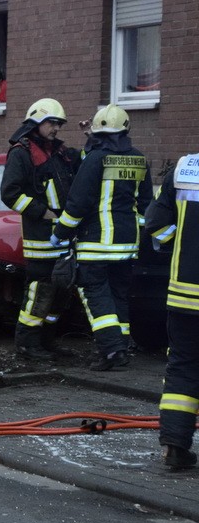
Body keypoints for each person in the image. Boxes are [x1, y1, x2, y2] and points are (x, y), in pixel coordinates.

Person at [52, 104, 153, 371]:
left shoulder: (95, 159)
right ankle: (121, 346)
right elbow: (145, 205)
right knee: (118, 293)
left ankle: (111, 351)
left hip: (96, 244)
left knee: (96, 294)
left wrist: (60, 232)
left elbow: (78, 202)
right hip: (127, 245)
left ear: (98, 132)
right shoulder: (139, 158)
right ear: (126, 129)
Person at [0, 98, 80, 361]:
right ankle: (27, 344)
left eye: (58, 124)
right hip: (40, 239)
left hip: (62, 238)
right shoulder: (22, 152)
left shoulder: (58, 152)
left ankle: (46, 342)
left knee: (60, 295)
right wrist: (40, 212)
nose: (56, 128)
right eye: (51, 123)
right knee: (39, 293)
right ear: (36, 121)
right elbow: (9, 193)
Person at [146, 153, 199, 468]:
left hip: (184, 296)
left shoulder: (185, 169)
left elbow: (154, 223)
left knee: (182, 368)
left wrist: (177, 244)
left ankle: (174, 448)